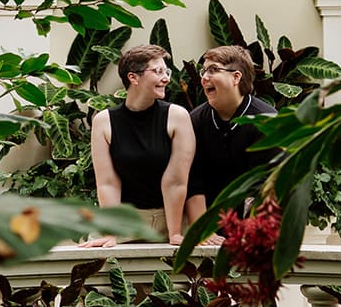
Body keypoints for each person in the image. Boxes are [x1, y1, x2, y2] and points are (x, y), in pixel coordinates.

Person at [89, 44, 195, 247]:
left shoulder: (177, 116)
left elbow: (176, 180)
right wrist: (111, 234)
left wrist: (174, 234)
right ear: (133, 77)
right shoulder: (104, 121)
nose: (166, 78)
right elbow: (108, 183)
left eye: (166, 71)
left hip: (171, 218)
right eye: (158, 71)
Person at [185, 45, 275, 240]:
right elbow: (193, 181)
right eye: (203, 71)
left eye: (213, 70)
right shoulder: (195, 121)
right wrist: (203, 232)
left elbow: (265, 185)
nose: (204, 77)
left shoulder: (266, 121)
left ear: (236, 77)